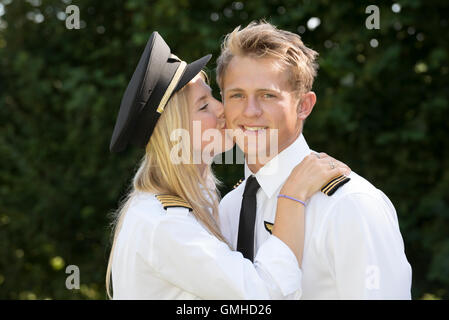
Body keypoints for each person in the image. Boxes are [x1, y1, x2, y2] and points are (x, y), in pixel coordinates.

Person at [105, 31, 350, 299]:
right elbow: (266, 294)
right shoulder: (163, 222)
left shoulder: (201, 204)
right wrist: (292, 196)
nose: (221, 109)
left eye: (212, 97)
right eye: (203, 106)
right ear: (176, 131)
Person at [217, 21, 412, 299]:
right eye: (237, 95)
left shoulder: (350, 204)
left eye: (267, 95)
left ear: (303, 105)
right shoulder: (229, 207)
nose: (250, 111)